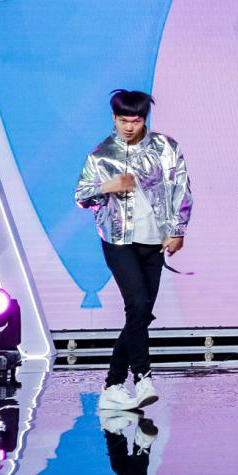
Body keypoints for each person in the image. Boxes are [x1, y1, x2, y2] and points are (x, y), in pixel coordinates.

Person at [76, 89, 192, 411]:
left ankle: (113, 384)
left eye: (136, 120)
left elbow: (181, 188)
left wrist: (177, 230)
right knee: (138, 304)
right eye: (123, 120)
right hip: (118, 240)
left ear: (145, 119)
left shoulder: (166, 147)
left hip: (153, 240)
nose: (129, 127)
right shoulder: (101, 155)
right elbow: (81, 196)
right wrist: (107, 186)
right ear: (114, 118)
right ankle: (143, 378)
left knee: (141, 313)